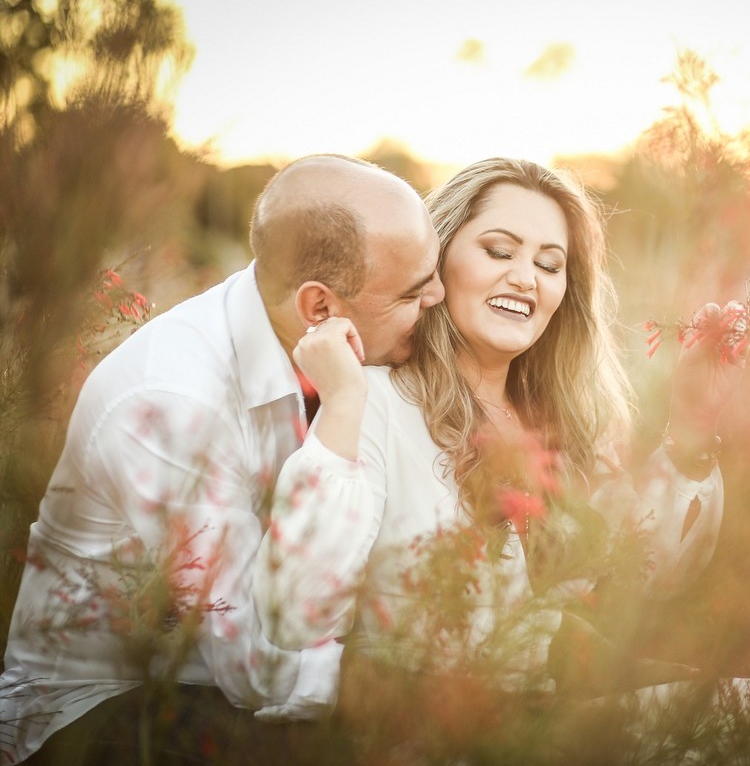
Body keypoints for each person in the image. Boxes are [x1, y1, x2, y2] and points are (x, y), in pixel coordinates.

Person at [0, 154, 444, 764]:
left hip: (208, 686)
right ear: (320, 308)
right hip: (90, 714)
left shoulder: (320, 347)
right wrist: (436, 697)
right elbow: (257, 666)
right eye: (416, 290)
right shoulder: (173, 402)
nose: (439, 297)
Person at [256, 158, 742, 712]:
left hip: (539, 716)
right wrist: (342, 403)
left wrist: (695, 424)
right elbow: (293, 610)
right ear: (436, 263)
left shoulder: (567, 422)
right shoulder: (374, 403)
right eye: (499, 251)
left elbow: (647, 580)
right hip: (418, 727)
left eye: (550, 263)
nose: (525, 277)